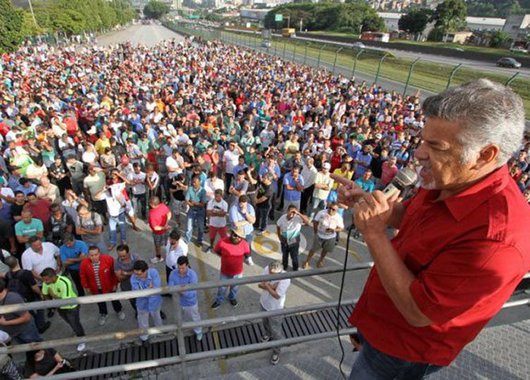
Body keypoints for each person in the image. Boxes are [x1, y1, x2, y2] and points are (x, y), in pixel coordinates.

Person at [341, 80, 530, 379]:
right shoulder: (452, 179)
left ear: (484, 155)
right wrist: (371, 205)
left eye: (435, 146)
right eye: (423, 140)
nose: (418, 154)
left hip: (404, 351)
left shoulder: (497, 238)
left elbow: (419, 312)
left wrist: (374, 233)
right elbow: (412, 219)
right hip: (381, 324)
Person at [40, 267, 86, 352]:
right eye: (44, 280)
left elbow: (65, 301)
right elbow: (45, 294)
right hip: (59, 307)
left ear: (53, 277)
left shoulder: (64, 282)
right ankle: (77, 332)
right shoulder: (46, 283)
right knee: (70, 322)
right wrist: (49, 299)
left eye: (46, 280)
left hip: (71, 307)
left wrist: (53, 295)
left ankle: (82, 339)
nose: (45, 282)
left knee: (75, 323)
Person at [80, 246, 125, 326]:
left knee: (115, 299)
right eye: (91, 255)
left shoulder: (109, 259)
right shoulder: (84, 263)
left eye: (96, 254)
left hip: (110, 286)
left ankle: (119, 310)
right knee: (100, 302)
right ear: (88, 255)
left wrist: (115, 284)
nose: (94, 257)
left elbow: (114, 273)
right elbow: (83, 276)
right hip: (95, 288)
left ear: (99, 254)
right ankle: (103, 314)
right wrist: (86, 287)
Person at [259, 261, 291, 365]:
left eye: (273, 274)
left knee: (276, 331)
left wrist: (267, 285)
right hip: (264, 303)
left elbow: (277, 295)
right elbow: (259, 284)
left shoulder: (285, 278)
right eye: (270, 272)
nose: (270, 274)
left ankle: (276, 351)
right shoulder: (267, 268)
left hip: (276, 308)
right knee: (265, 323)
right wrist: (272, 287)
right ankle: (267, 335)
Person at [211, 227, 251, 309]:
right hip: (224, 272)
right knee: (222, 288)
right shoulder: (222, 242)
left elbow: (247, 254)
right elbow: (217, 251)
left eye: (240, 236)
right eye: (235, 235)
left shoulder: (244, 244)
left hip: (238, 272)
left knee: (235, 287)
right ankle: (219, 300)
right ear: (231, 233)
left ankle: (232, 298)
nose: (237, 237)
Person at [168, 256, 202, 341]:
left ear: (187, 265)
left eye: (182, 268)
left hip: (190, 303)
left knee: (194, 318)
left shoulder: (193, 275)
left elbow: (192, 293)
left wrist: (180, 291)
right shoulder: (173, 273)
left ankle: (198, 331)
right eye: (179, 268)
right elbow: (170, 289)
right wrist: (183, 289)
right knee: (179, 317)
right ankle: (180, 329)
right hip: (178, 302)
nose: (180, 270)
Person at [130, 260, 163, 346]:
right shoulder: (133, 278)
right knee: (142, 321)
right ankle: (144, 338)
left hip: (155, 302)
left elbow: (157, 288)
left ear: (146, 270)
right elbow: (138, 293)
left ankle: (159, 330)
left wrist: (145, 291)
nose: (137, 276)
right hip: (142, 304)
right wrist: (149, 289)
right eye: (135, 273)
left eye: (139, 274)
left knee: (157, 316)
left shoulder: (153, 272)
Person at [302, 202, 344, 269]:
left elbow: (341, 228)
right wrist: (315, 232)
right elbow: (315, 221)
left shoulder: (338, 217)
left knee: (325, 250)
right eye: (329, 208)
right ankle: (307, 261)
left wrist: (333, 230)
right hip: (319, 235)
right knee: (313, 250)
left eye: (333, 209)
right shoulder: (321, 213)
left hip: (330, 237)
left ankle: (321, 260)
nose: (330, 210)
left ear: (336, 210)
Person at [0, 278, 42, 344]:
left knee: (37, 347)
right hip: (13, 333)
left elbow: (26, 317)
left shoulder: (13, 299)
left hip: (25, 331)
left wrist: (5, 323)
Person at [276, 205, 310, 271]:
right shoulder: (283, 218)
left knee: (294, 257)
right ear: (287, 211)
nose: (292, 213)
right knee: (284, 255)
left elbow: (307, 222)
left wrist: (298, 213)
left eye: (294, 212)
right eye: (290, 211)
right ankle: (284, 266)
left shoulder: (298, 218)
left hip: (294, 240)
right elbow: (278, 226)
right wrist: (279, 236)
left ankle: (295, 268)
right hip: (284, 239)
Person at [228, 195, 256, 266]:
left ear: (246, 203)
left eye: (244, 204)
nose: (242, 206)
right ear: (239, 202)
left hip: (247, 231)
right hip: (237, 232)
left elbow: (253, 220)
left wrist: (245, 213)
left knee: (248, 246)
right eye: (240, 204)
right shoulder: (233, 209)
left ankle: (248, 258)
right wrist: (247, 221)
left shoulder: (250, 207)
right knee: (236, 246)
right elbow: (236, 224)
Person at [115, 244, 139, 314]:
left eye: (124, 256)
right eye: (120, 256)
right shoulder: (116, 262)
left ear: (128, 253)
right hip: (127, 286)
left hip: (139, 283)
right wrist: (134, 272)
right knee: (132, 300)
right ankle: (137, 311)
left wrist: (125, 273)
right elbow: (120, 278)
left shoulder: (135, 257)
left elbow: (141, 270)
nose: (122, 258)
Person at [184, 175, 207, 248]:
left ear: (199, 182)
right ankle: (187, 239)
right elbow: (187, 200)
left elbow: (203, 204)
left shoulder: (203, 191)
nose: (193, 183)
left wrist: (194, 203)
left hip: (200, 211)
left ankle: (199, 240)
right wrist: (193, 204)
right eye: (193, 182)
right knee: (189, 226)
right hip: (192, 209)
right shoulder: (190, 189)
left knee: (201, 227)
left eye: (195, 182)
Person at [147, 196, 171, 264]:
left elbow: (155, 227)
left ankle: (159, 257)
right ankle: (169, 255)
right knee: (168, 243)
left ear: (152, 204)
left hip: (157, 233)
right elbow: (169, 213)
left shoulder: (152, 213)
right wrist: (166, 224)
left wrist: (163, 227)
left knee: (157, 246)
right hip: (166, 230)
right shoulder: (163, 206)